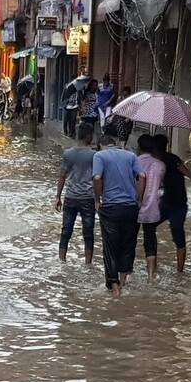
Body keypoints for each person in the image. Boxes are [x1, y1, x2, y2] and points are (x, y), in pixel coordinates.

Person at [93, 134, 146, 296]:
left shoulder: (99, 156)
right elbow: (142, 176)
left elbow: (97, 177)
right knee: (128, 244)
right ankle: (123, 282)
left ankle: (114, 285)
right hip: (131, 208)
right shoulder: (130, 155)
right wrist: (139, 200)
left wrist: (97, 200)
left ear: (101, 145)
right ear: (114, 144)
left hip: (111, 208)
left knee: (110, 247)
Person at [152, 134, 191, 274]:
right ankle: (157, 266)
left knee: (177, 234)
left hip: (177, 204)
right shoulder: (161, 161)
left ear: (155, 148)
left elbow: (190, 176)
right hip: (168, 202)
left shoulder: (171, 160)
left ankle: (178, 271)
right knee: (152, 227)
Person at [55, 122, 96, 265]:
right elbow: (98, 178)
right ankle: (88, 263)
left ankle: (62, 260)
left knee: (66, 230)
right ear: (89, 136)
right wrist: (99, 199)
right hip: (88, 197)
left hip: (70, 197)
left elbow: (62, 175)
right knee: (88, 232)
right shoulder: (94, 155)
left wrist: (57, 196)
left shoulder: (68, 153)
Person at [136, 135, 166, 285]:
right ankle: (150, 278)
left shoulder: (134, 162)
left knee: (130, 240)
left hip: (134, 207)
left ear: (139, 147)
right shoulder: (160, 165)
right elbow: (161, 186)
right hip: (153, 208)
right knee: (150, 241)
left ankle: (124, 277)